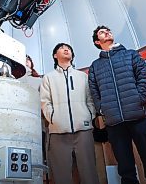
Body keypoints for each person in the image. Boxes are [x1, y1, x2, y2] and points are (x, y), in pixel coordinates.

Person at [89, 25, 146, 184]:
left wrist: (139, 99)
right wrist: (103, 109)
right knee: (126, 171)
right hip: (114, 123)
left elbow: (144, 78)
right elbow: (94, 91)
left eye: (108, 30)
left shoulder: (131, 55)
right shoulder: (95, 66)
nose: (107, 32)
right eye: (102, 32)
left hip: (138, 117)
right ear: (97, 41)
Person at [40, 43, 99, 184]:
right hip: (58, 133)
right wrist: (54, 118)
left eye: (69, 48)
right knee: (61, 177)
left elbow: (90, 99)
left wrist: (89, 115)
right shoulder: (48, 78)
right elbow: (45, 102)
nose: (66, 49)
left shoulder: (82, 76)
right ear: (55, 55)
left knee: (89, 174)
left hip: (83, 131)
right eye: (62, 48)